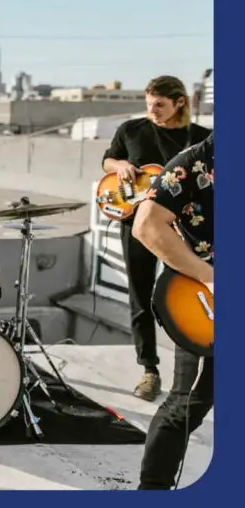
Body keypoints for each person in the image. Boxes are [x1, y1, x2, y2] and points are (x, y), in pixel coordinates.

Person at [101, 75, 211, 401]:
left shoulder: (201, 139)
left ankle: (187, 372)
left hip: (183, 234)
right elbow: (107, 159)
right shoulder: (131, 130)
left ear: (180, 102)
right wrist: (119, 165)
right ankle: (149, 370)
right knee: (141, 297)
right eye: (149, 104)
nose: (154, 111)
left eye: (160, 105)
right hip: (136, 225)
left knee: (182, 296)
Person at [131, 133, 214, 490]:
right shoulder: (193, 162)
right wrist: (211, 277)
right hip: (207, 304)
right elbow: (146, 226)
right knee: (188, 403)